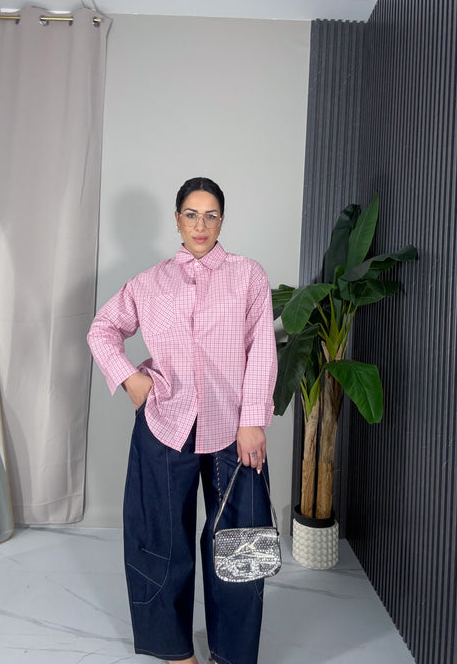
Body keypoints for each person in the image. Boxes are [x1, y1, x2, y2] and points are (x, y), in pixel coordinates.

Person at [87, 177, 278, 664]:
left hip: (234, 429)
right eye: (191, 215)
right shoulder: (149, 282)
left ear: (222, 221)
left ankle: (232, 654)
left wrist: (253, 420)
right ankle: (174, 652)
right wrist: (132, 381)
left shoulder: (248, 276)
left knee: (239, 544)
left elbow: (262, 349)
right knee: (159, 539)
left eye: (211, 215)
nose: (200, 225)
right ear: (176, 220)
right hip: (165, 424)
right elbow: (102, 329)